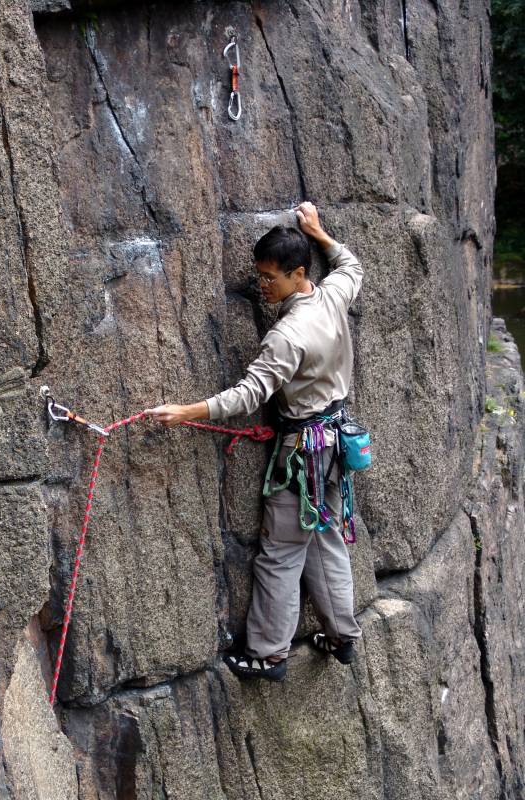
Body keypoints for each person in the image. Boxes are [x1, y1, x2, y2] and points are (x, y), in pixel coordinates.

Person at [146, 201, 363, 681]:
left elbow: (249, 394)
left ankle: (267, 653)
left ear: (298, 273)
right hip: (334, 444)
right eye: (259, 276)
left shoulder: (287, 335)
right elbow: (351, 265)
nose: (262, 287)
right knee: (324, 538)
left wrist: (187, 411)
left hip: (302, 452)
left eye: (271, 278)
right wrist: (320, 233)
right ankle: (342, 634)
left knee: (282, 551)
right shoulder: (331, 296)